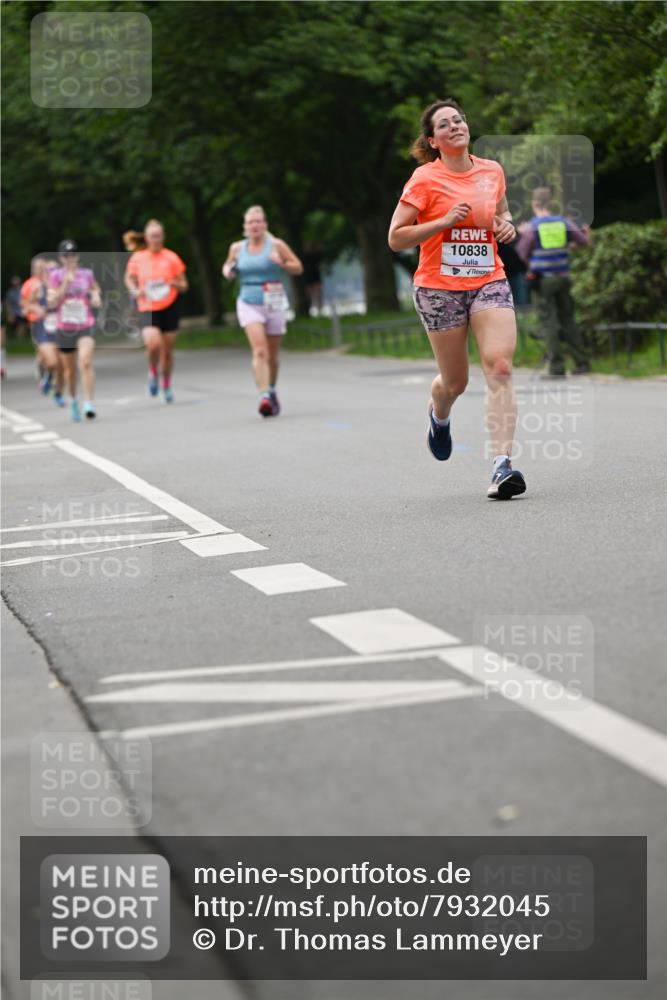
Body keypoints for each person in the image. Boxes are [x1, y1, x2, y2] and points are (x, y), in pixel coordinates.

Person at [388, 98, 526, 500]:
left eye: (459, 119)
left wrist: (506, 228)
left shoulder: (491, 171)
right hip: (438, 288)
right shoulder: (424, 179)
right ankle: (439, 413)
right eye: (444, 125)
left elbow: (502, 214)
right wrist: (442, 222)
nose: (455, 126)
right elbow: (395, 237)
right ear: (433, 139)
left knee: (499, 366)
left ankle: (503, 466)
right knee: (456, 381)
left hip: (489, 279)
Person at [222, 206, 303, 417]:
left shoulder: (276, 245)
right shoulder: (237, 248)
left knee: (273, 356)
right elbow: (227, 265)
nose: (254, 225)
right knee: (260, 351)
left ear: (265, 225)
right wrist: (228, 271)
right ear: (245, 227)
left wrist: (283, 262)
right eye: (250, 222)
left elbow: (298, 267)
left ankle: (272, 389)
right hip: (249, 301)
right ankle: (264, 395)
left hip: (274, 301)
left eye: (258, 221)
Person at [517, 188, 591, 379]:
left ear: (535, 204)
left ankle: (557, 367)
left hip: (543, 280)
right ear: (550, 203)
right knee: (568, 319)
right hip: (564, 277)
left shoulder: (533, 226)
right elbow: (583, 241)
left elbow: (522, 253)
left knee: (548, 321)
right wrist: (566, 247)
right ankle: (582, 363)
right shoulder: (563, 222)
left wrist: (521, 234)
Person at [124, 219, 187, 403]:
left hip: (169, 306)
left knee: (167, 351)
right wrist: (135, 290)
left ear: (163, 237)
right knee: (153, 344)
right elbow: (128, 279)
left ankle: (166, 384)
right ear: (146, 238)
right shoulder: (138, 258)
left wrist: (176, 283)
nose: (156, 239)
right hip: (147, 307)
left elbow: (184, 284)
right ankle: (153, 372)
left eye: (159, 236)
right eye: (153, 236)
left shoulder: (172, 257)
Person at [48, 239, 102, 421]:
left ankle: (89, 403)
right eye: (66, 256)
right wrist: (65, 283)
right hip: (65, 327)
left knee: (86, 361)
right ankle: (73, 400)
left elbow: (95, 288)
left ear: (77, 256)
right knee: (69, 371)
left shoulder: (87, 274)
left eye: (72, 255)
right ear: (61, 258)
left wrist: (95, 296)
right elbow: (52, 301)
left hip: (85, 323)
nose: (70, 259)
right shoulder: (55, 275)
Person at [22, 257, 65, 405]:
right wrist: (36, 309)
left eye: (55, 270)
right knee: (52, 362)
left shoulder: (63, 287)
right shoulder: (38, 288)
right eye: (49, 270)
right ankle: (46, 374)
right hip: (43, 329)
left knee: (61, 364)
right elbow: (26, 304)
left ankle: (58, 393)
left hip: (61, 329)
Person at [302, 241, 324, 315]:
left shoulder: (316, 255)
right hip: (308, 276)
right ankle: (310, 308)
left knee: (318, 293)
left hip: (315, 275)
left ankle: (320, 309)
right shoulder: (303, 257)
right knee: (309, 294)